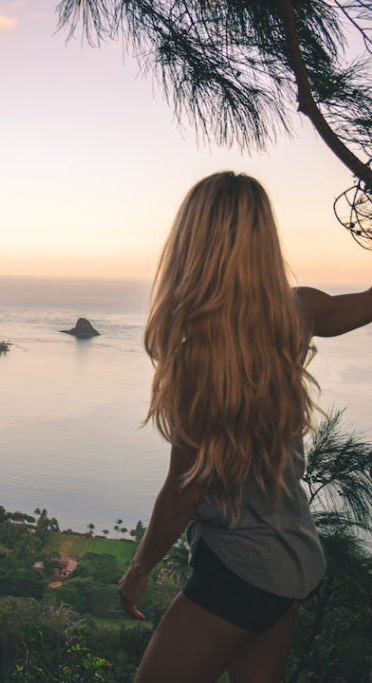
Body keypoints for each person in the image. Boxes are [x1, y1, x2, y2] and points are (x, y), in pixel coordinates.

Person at [118, 171, 372, 682]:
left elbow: (184, 492)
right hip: (293, 561)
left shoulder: (197, 361)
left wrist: (140, 567)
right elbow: (360, 305)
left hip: (240, 568)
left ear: (191, 244)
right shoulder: (295, 315)